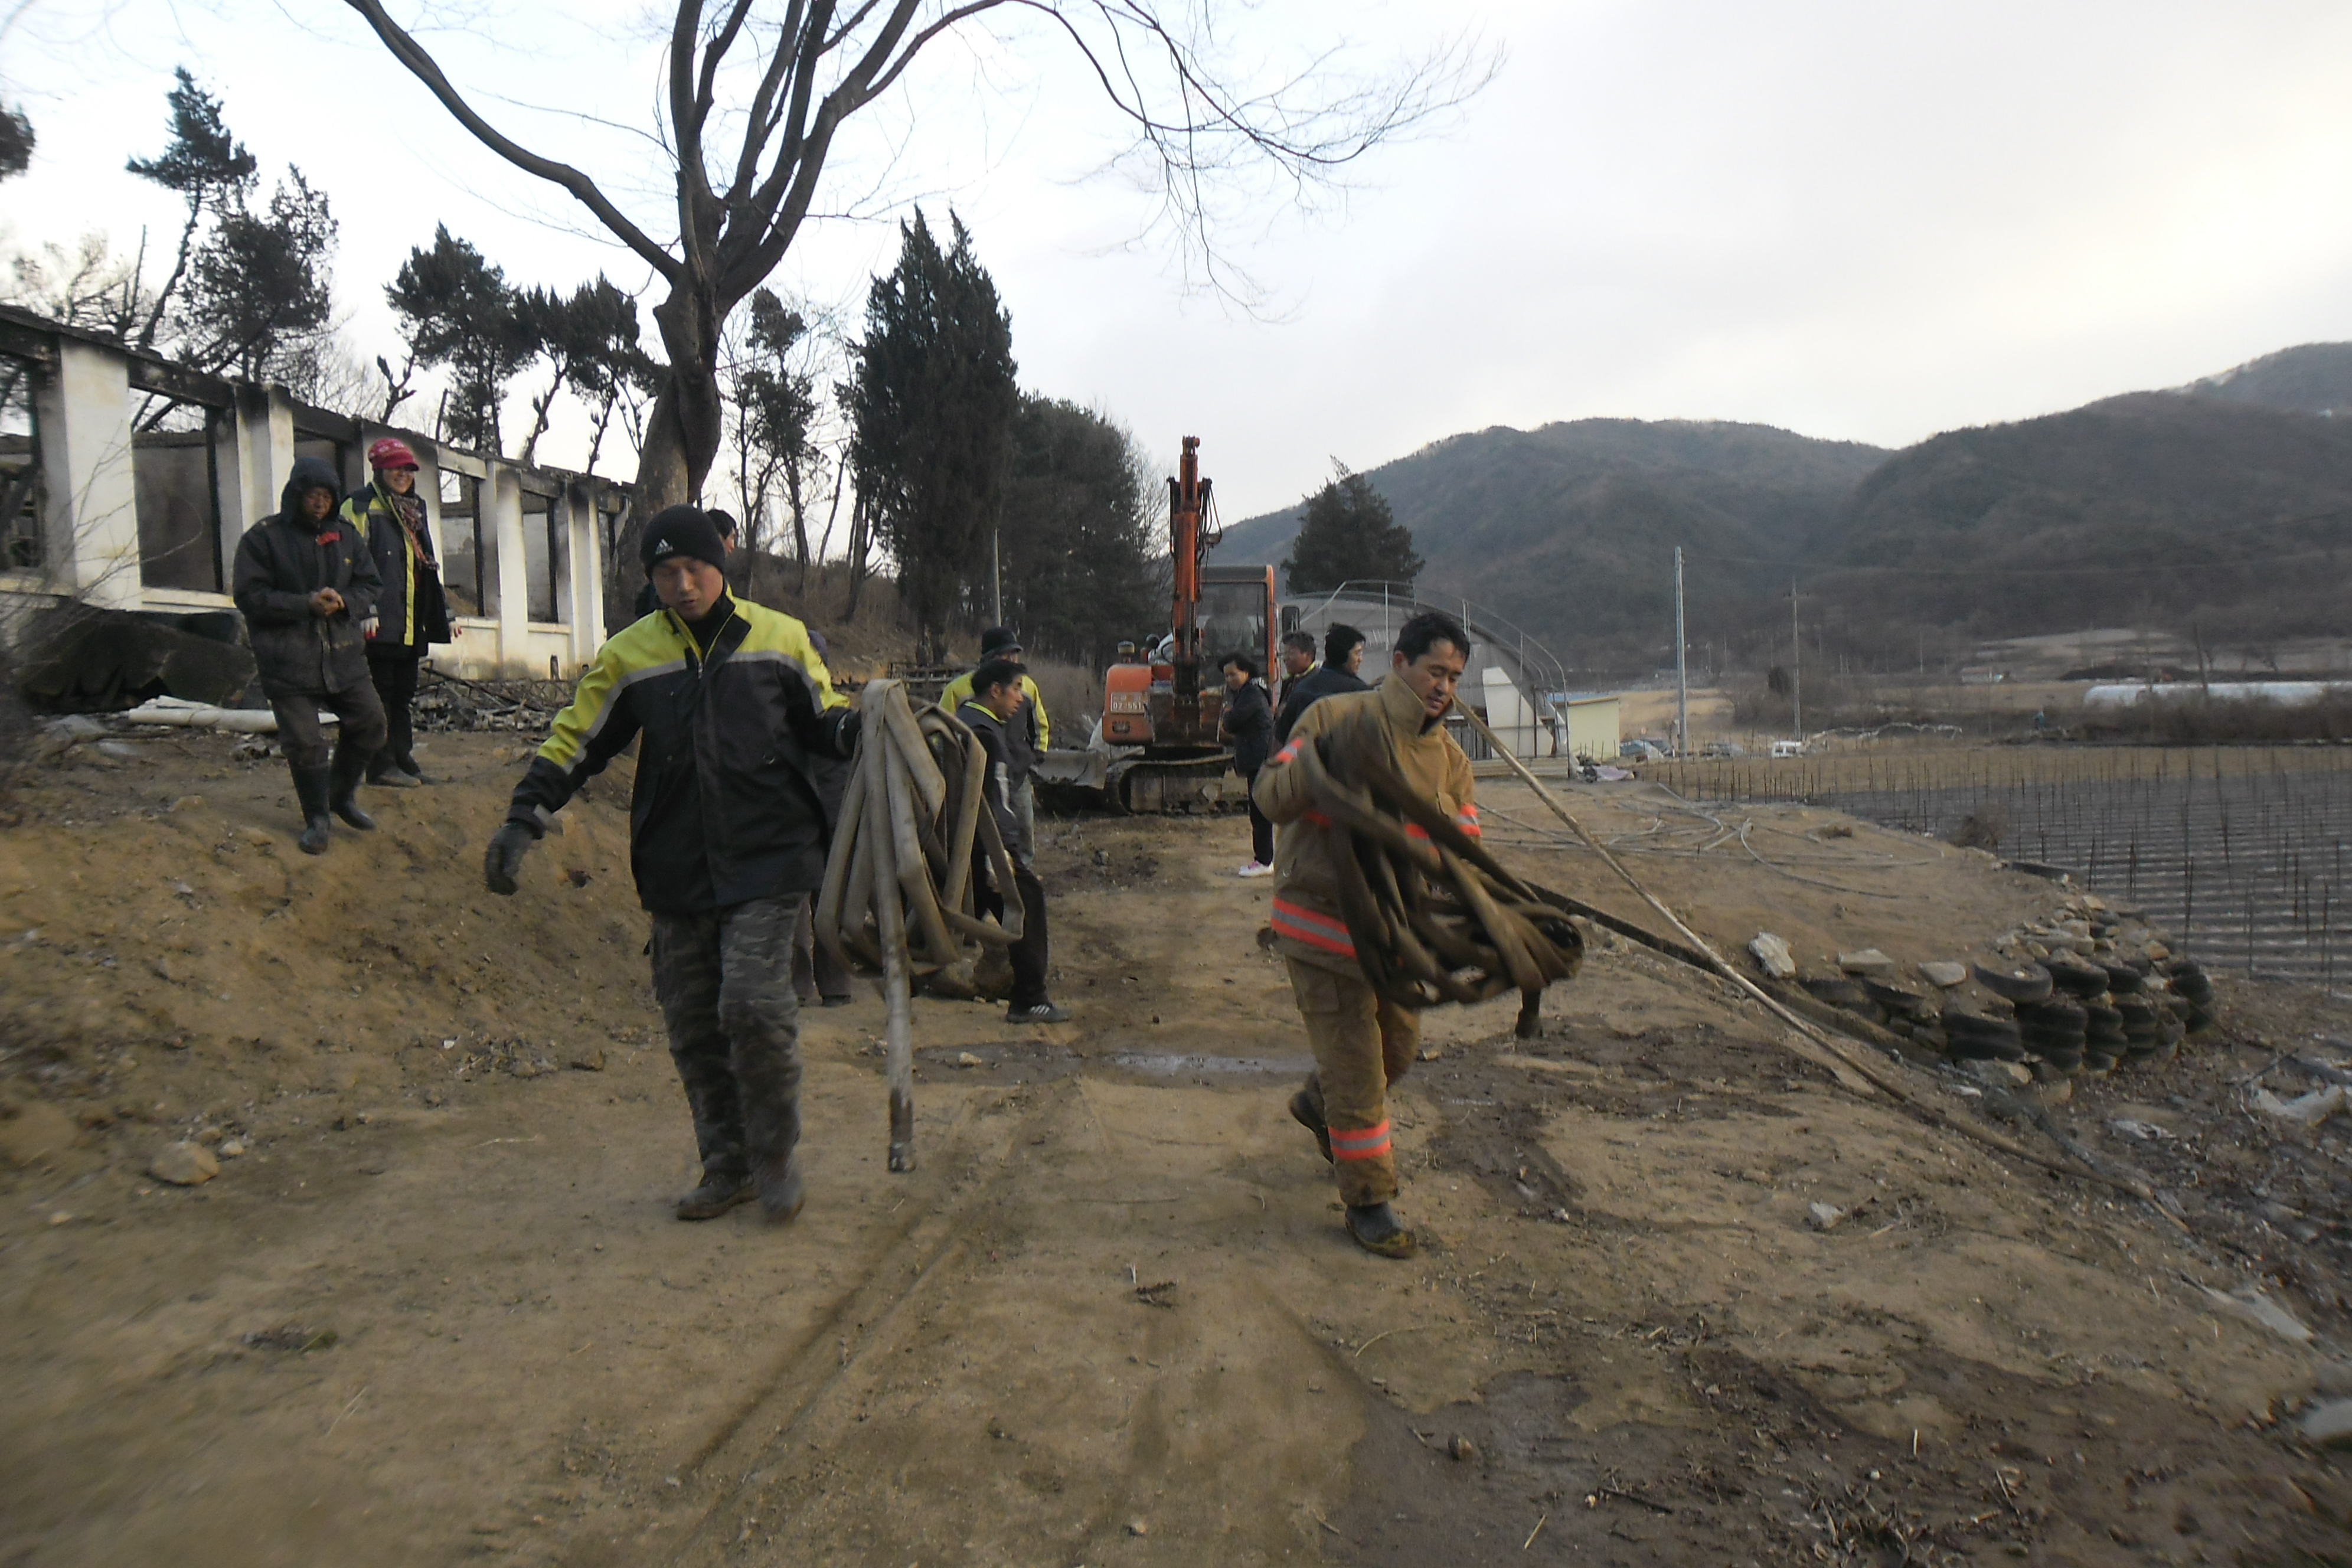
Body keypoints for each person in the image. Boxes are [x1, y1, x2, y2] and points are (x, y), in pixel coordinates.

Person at [482, 505, 860, 1224]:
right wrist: (524, 814)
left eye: (694, 569)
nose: (682, 585)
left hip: (770, 857)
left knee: (753, 1005)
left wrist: (856, 728)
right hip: (677, 864)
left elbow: (823, 719)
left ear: (720, 565)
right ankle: (728, 1166)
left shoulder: (779, 638)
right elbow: (577, 740)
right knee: (692, 1022)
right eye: (665, 573)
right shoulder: (631, 655)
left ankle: (774, 1157)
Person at [1253, 612, 1478, 1259]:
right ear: (1400, 663)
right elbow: (1270, 795)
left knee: (1397, 1051)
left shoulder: (1451, 760)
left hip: (1392, 938)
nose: (1444, 687)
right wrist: (1319, 770)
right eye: (1435, 671)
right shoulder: (1332, 719)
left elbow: (1462, 846)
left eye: (1454, 677)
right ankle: (1369, 1201)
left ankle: (1316, 1103)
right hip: (1321, 932)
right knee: (1357, 1071)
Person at [233, 456, 388, 856]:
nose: (319, 503)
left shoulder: (347, 535)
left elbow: (371, 584)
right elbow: (249, 596)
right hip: (288, 659)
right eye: (312, 495)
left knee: (371, 723)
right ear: (295, 495)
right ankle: (317, 818)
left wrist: (344, 601)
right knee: (305, 743)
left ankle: (340, 796)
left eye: (327, 496)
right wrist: (305, 604)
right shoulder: (264, 538)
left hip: (344, 656)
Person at [956, 657, 1069, 1024]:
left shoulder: (963, 719)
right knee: (1026, 900)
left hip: (958, 843)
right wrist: (1003, 854)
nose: (1021, 697)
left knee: (962, 910)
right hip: (983, 844)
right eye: (1016, 689)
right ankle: (1030, 999)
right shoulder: (986, 734)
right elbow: (995, 801)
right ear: (996, 691)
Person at [344, 436, 453, 787]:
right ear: (379, 470)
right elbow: (348, 563)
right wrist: (365, 610)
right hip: (378, 621)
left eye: (408, 469)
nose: (403, 475)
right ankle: (380, 765)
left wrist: (443, 612)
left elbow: (427, 564)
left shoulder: (414, 509)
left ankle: (403, 759)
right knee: (382, 694)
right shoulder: (359, 507)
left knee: (404, 694)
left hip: (411, 620)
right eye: (395, 469)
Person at [939, 626, 1049, 861]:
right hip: (978, 780)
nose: (1011, 660)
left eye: (1015, 654)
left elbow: (1039, 725)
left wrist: (1034, 759)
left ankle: (1021, 870)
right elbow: (943, 733)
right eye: (1005, 654)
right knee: (981, 837)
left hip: (1017, 775)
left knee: (1022, 832)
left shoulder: (1027, 687)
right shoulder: (958, 689)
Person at [792, 626, 857, 1008]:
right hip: (826, 817)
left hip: (811, 817)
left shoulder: (781, 710)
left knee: (804, 901)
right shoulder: (841, 711)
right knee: (826, 900)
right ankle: (833, 985)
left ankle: (802, 986)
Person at [1219, 651, 1276, 876]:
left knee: (1259, 812)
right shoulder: (1251, 691)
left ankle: (1263, 861)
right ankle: (1265, 858)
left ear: (1246, 672)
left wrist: (1227, 716)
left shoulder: (1251, 694)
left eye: (1233, 674)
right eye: (1226, 676)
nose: (1230, 680)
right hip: (1257, 756)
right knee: (1260, 811)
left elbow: (1232, 722)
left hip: (1258, 757)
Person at [1274, 622, 1370, 745]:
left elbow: (1283, 741)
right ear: (1344, 654)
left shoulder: (1301, 690)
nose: (1360, 659)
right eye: (1357, 653)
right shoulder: (1361, 694)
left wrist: (1295, 754)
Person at [632, 508, 735, 619]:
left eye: (694, 569)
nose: (685, 586)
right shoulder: (641, 628)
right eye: (668, 574)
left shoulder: (749, 622)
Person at [1276, 629, 1318, 707]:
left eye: (1291, 653)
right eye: (1285, 653)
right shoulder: (1288, 682)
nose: (1285, 658)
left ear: (1308, 655)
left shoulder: (1317, 683)